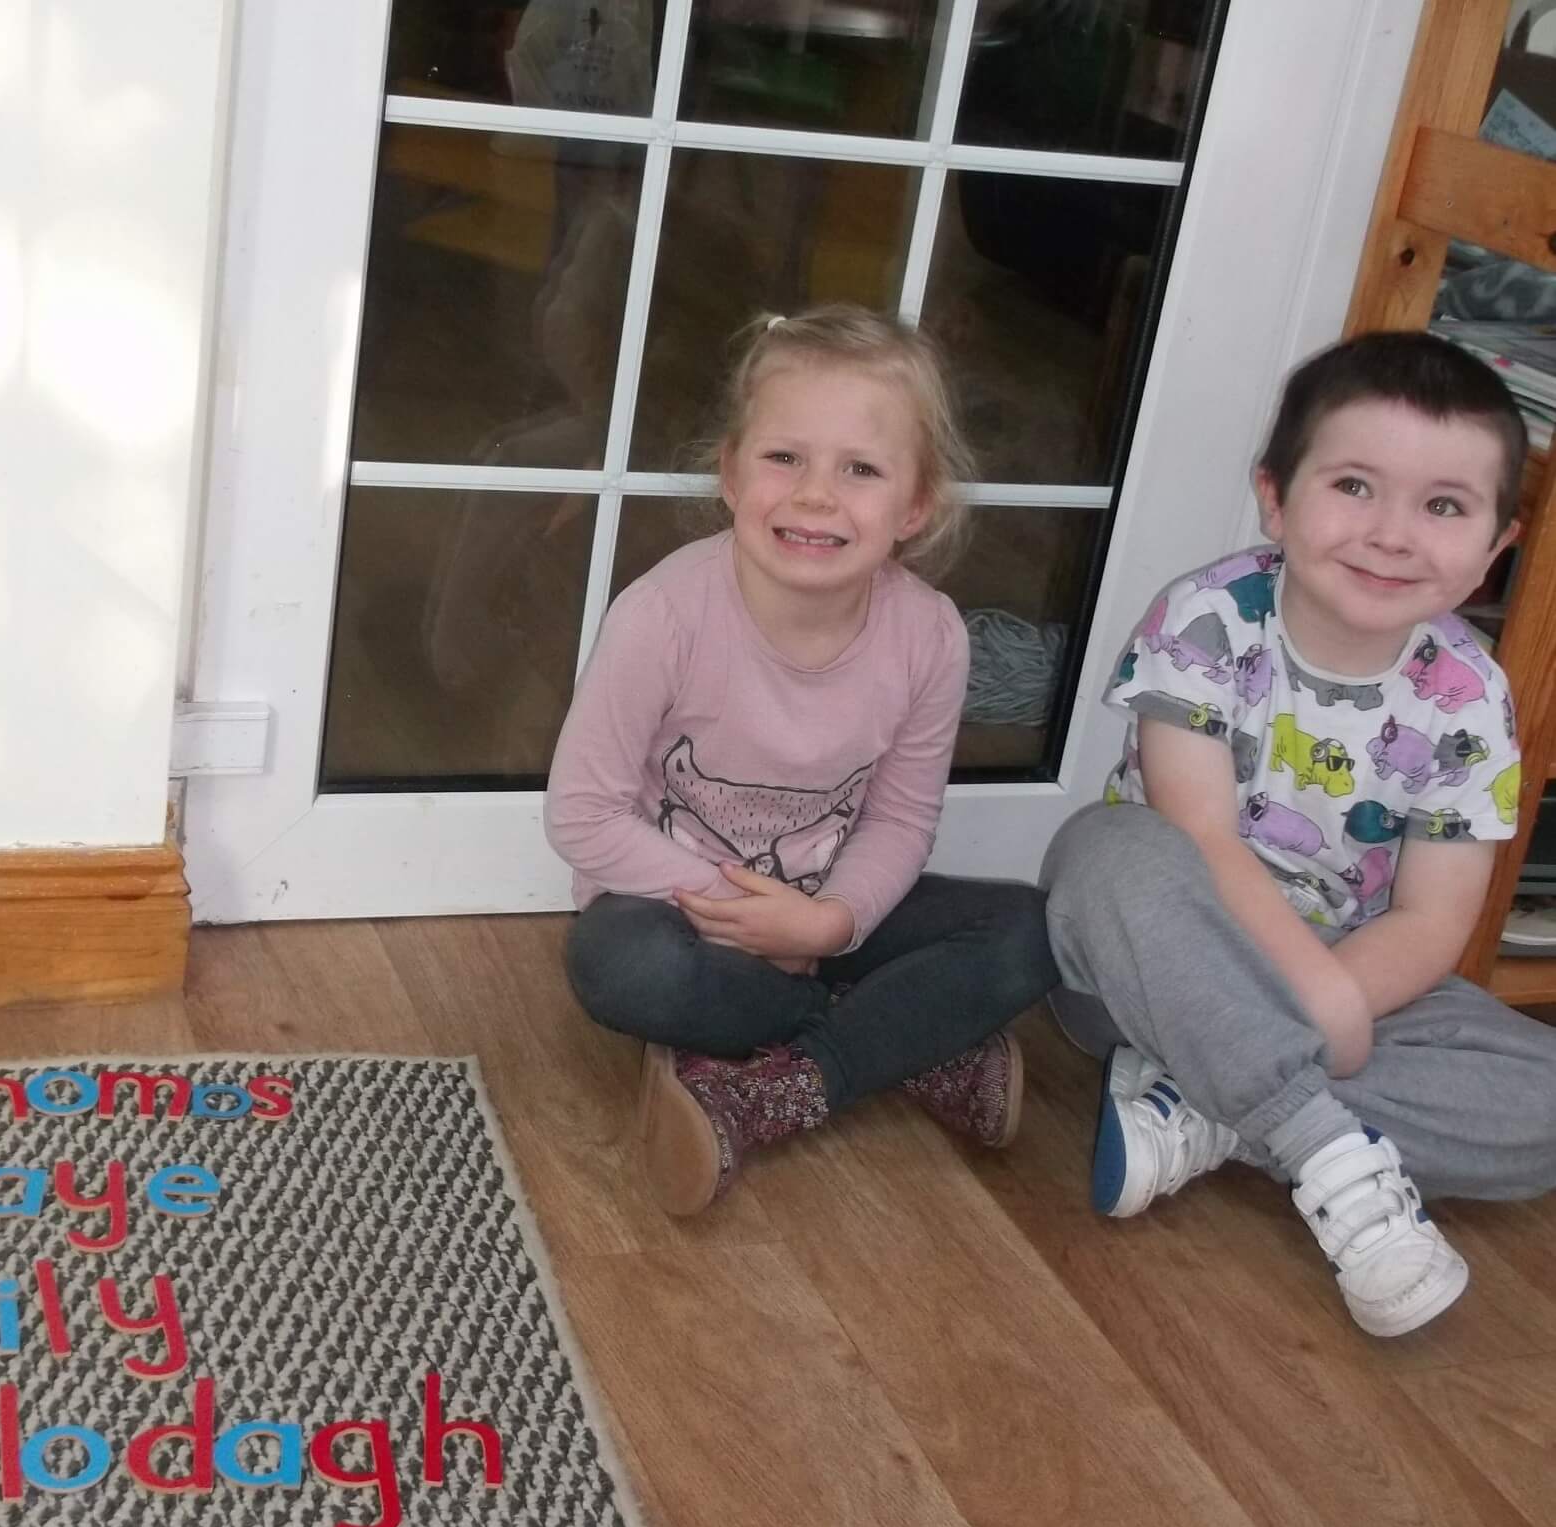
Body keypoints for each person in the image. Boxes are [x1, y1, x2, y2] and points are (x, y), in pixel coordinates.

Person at [1042, 330, 1556, 1337]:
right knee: (1102, 854)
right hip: (1155, 966)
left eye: (1443, 506)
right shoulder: (1208, 619)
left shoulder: (1470, 695)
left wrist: (1335, 994)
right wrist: (1318, 1005)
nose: (1393, 534)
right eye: (1355, 486)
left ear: (1497, 546)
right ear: (1275, 499)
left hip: (1346, 974)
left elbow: (1430, 919)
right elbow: (1200, 837)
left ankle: (1212, 1115)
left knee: (1543, 1104)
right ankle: (1322, 1148)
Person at [544, 304, 1058, 1214]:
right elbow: (582, 817)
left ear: (914, 506)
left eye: (860, 469)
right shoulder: (661, 616)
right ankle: (904, 1041)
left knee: (1032, 930)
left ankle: (776, 1085)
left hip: (828, 907)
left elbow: (900, 817)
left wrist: (828, 926)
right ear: (730, 473)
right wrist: (747, 917)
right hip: (680, 911)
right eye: (785, 457)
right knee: (622, 967)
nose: (816, 495)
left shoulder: (930, 635)